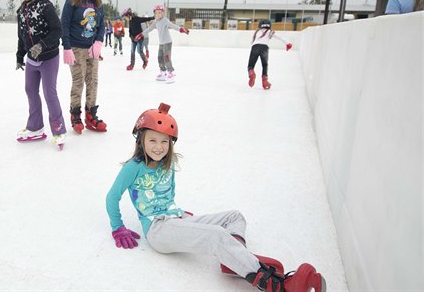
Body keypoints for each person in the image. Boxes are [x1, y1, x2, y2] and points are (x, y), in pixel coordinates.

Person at [105, 102, 326, 292]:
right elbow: (112, 196)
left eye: (165, 141)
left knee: (234, 217)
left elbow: (168, 193)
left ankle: (232, 261)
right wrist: (117, 227)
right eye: (152, 140)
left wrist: (181, 217)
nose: (159, 147)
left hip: (175, 218)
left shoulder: (168, 163)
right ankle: (274, 284)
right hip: (157, 229)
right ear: (140, 140)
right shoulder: (133, 167)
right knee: (216, 235)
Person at [13, 0, 66, 150]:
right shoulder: (21, 11)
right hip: (31, 60)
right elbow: (21, 36)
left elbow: (57, 30)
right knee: (30, 90)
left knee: (49, 93)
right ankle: (35, 127)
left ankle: (58, 130)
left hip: (49, 57)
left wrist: (41, 46)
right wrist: (20, 56)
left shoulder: (45, 5)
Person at [61, 0, 107, 134]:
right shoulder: (72, 1)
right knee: (78, 81)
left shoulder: (98, 3)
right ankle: (75, 114)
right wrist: (66, 47)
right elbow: (64, 24)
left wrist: (98, 42)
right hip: (76, 48)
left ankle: (91, 114)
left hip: (92, 50)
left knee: (93, 81)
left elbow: (101, 25)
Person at [136, 5, 190, 83]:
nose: (158, 14)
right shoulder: (155, 21)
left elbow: (172, 26)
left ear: (163, 13)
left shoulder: (165, 20)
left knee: (166, 57)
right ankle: (163, 73)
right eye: (156, 13)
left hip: (167, 42)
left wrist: (181, 29)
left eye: (159, 13)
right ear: (154, 14)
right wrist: (141, 34)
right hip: (161, 43)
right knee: (159, 57)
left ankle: (170, 73)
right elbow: (149, 29)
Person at [246, 19, 292, 90]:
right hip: (264, 48)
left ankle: (251, 73)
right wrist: (288, 44)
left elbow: (251, 42)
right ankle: (265, 81)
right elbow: (280, 37)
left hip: (255, 47)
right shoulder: (270, 32)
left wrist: (253, 48)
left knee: (251, 66)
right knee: (265, 65)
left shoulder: (257, 32)